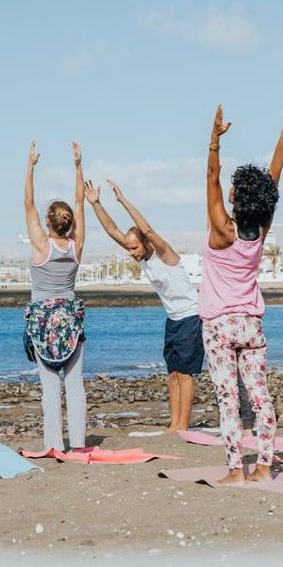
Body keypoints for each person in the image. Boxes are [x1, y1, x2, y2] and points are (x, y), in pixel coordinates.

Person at [200, 103, 283, 485]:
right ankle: (263, 465)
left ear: (236, 197)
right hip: (251, 324)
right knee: (260, 397)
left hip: (218, 325)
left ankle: (234, 471)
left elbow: (211, 177)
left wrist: (213, 142)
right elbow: (273, 182)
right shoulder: (260, 228)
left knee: (229, 399)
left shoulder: (222, 231)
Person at [84, 178, 204, 432]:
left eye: (134, 248)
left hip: (192, 317)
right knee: (172, 375)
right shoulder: (142, 257)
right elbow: (112, 230)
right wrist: (96, 203)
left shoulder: (166, 254)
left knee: (185, 374)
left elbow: (147, 230)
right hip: (173, 320)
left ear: (146, 244)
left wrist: (123, 200)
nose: (131, 253)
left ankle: (183, 425)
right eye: (129, 249)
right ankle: (174, 425)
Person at [24, 139, 87, 452]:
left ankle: (54, 444)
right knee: (74, 383)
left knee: (50, 386)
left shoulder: (40, 245)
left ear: (48, 223)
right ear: (70, 223)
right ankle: (77, 443)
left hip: (43, 322)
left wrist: (30, 166)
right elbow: (81, 200)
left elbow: (28, 205)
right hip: (71, 320)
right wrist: (78, 166)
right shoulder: (77, 246)